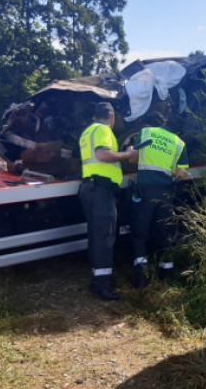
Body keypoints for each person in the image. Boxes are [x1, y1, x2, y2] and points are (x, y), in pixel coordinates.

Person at [78, 102, 138, 301]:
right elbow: (103, 155)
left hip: (89, 187)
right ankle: (101, 285)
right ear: (111, 117)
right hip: (101, 190)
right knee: (105, 237)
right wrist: (127, 154)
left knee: (96, 236)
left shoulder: (87, 132)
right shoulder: (103, 130)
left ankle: (98, 277)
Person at [131, 112, 189, 289]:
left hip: (144, 191)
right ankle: (167, 275)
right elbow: (182, 173)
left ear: (165, 120)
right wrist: (168, 169)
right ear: (178, 131)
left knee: (140, 233)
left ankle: (141, 277)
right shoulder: (179, 144)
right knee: (165, 233)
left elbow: (133, 158)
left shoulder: (146, 132)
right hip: (164, 193)